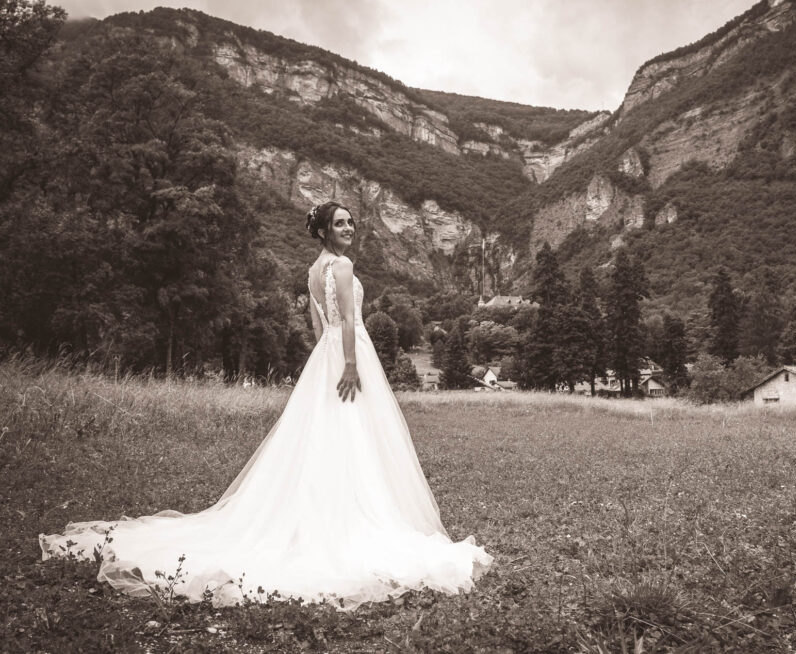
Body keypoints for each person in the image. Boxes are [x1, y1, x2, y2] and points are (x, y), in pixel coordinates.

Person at [39, 201, 493, 609]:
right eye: (340, 223)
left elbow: (318, 328)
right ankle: (352, 513)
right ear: (323, 231)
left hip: (326, 356)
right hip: (350, 355)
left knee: (330, 432)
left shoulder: (312, 271)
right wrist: (350, 365)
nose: (349, 227)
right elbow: (349, 321)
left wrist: (327, 360)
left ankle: (329, 503)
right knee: (356, 430)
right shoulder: (342, 265)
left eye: (351, 221)